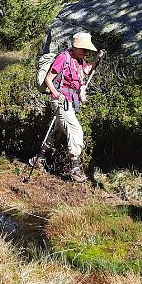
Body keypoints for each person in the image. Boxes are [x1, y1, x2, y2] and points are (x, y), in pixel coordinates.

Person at [31, 31, 99, 183]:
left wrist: (96, 61)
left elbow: (87, 72)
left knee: (58, 130)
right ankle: (75, 169)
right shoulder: (64, 58)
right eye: (84, 49)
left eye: (87, 50)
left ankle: (39, 159)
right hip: (61, 101)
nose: (86, 52)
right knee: (76, 131)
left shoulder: (79, 60)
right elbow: (49, 79)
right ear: (76, 47)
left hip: (71, 101)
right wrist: (56, 94)